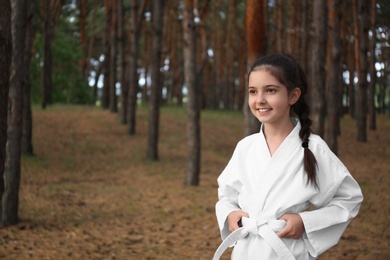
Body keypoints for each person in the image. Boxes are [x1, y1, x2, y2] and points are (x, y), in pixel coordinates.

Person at [214, 54, 363, 260]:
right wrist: (230, 213)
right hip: (246, 251)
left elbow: (349, 198)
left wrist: (305, 222)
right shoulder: (245, 147)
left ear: (293, 96)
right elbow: (227, 196)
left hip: (287, 251)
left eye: (271, 90)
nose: (260, 100)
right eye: (253, 91)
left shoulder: (313, 148)